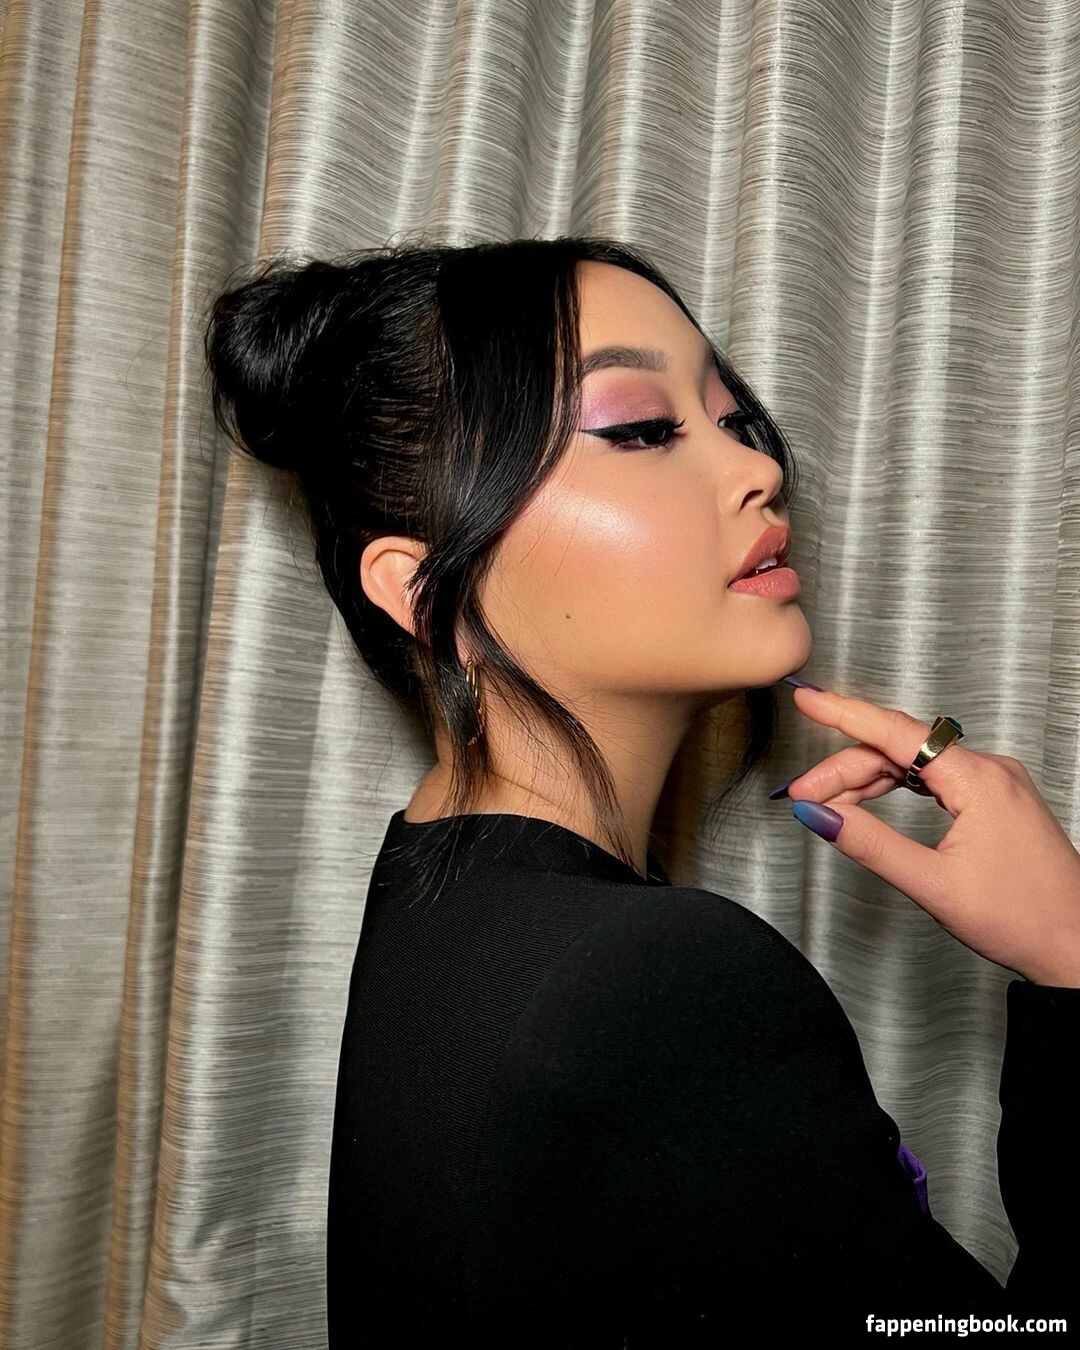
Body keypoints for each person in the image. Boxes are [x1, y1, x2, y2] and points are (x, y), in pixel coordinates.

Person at [202, 236, 1080, 1344]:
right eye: (640, 428)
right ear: (425, 594)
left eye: (732, 419)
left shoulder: (440, 883)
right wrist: (1074, 959)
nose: (756, 470)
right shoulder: (653, 977)